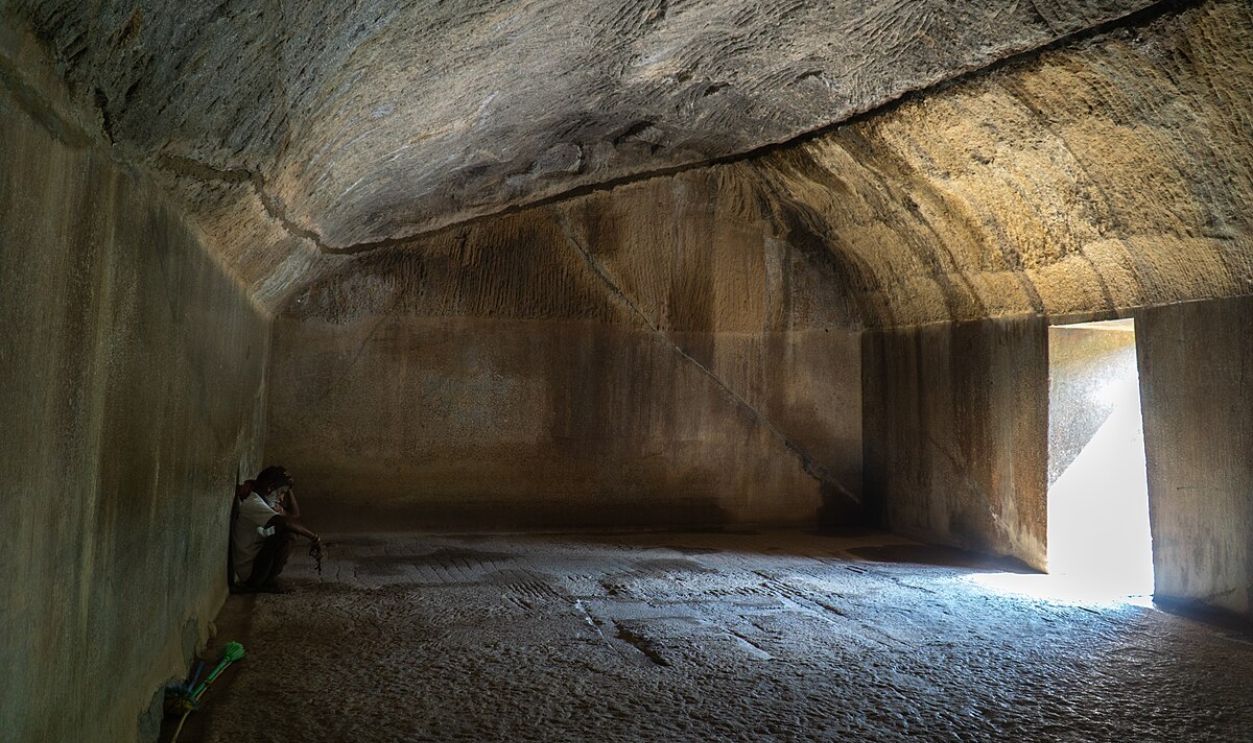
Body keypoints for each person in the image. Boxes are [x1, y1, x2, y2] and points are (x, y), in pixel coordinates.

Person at [232, 466, 321, 593]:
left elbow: (294, 517)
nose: (282, 498)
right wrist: (314, 537)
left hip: (255, 568)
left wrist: (288, 487)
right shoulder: (254, 504)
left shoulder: (267, 502)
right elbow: (285, 523)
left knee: (288, 530)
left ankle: (268, 580)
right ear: (269, 488)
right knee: (287, 533)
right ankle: (265, 582)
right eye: (282, 493)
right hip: (250, 574)